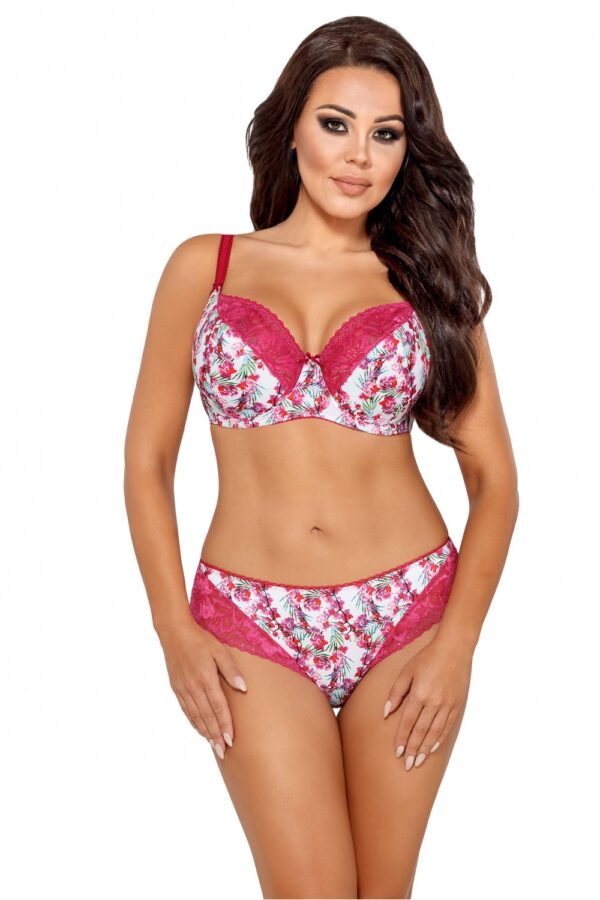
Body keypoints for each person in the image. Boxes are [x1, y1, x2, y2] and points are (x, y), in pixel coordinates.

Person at [124, 15, 519, 900]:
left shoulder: (428, 284)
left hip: (409, 613)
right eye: (336, 123)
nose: (357, 156)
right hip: (250, 622)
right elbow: (147, 460)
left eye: (386, 134)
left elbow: (495, 481)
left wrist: (457, 645)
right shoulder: (206, 267)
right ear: (293, 127)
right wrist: (172, 630)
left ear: (408, 152)